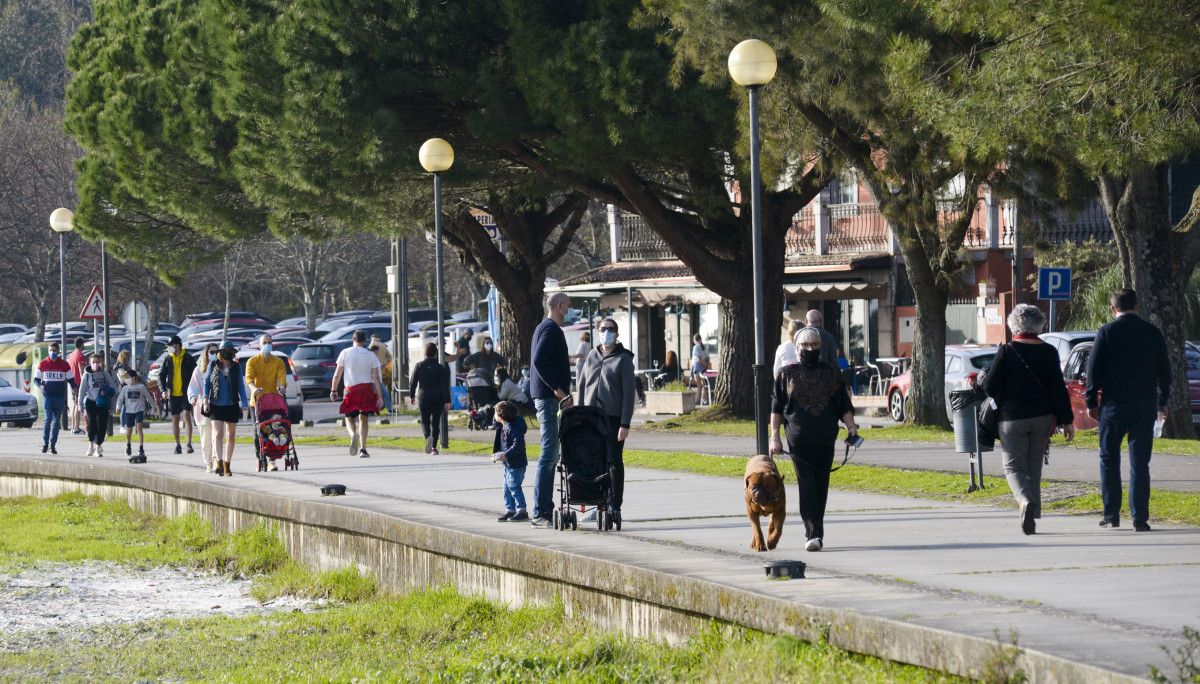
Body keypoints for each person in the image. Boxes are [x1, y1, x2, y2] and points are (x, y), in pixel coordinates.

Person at [979, 304, 1076, 535]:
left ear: (1013, 324)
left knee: (1013, 466)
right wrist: (1067, 420)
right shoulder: (1050, 351)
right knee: (1034, 467)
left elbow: (991, 386)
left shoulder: (1007, 351)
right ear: (1039, 324)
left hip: (1012, 419)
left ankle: (1024, 502)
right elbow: (1058, 390)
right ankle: (1033, 514)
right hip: (1043, 418)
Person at [1085, 288, 1171, 532]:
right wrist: (1163, 401)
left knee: (1109, 458)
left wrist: (1092, 401)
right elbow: (1164, 371)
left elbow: (1094, 369)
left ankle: (1111, 513)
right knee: (1140, 462)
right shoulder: (1152, 332)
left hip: (1114, 404)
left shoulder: (1107, 332)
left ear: (1113, 309)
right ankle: (1139, 517)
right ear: (1138, 305)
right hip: (1144, 404)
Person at [769, 327, 858, 552]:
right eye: (805, 346)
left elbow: (843, 405)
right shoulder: (785, 374)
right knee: (807, 485)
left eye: (814, 345)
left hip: (825, 440)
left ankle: (816, 531)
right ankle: (813, 534)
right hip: (798, 443)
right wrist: (775, 437)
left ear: (820, 348)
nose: (809, 349)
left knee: (821, 486)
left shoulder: (831, 373)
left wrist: (851, 427)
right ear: (796, 348)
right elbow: (776, 409)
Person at [577, 317, 636, 528]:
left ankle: (614, 505)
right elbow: (582, 385)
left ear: (617, 334)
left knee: (613, 461)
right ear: (597, 331)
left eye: (611, 329)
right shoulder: (592, 356)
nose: (606, 332)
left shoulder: (624, 359)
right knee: (594, 461)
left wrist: (625, 423)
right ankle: (598, 504)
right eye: (603, 329)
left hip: (612, 419)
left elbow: (629, 394)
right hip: (591, 417)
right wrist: (579, 414)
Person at [530, 292, 573, 528]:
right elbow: (538, 360)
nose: (569, 311)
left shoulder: (542, 327)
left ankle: (543, 506)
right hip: (548, 399)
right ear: (558, 306)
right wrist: (557, 389)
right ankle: (541, 511)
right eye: (567, 306)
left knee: (551, 453)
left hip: (551, 399)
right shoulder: (550, 329)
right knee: (548, 454)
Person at [330, 330, 383, 458]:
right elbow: (376, 377)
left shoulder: (345, 353)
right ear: (364, 341)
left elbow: (337, 374)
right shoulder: (371, 355)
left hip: (350, 390)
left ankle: (353, 434)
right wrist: (379, 396)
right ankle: (363, 449)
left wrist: (333, 390)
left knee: (349, 417)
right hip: (366, 390)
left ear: (353, 339)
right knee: (364, 419)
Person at [202, 346, 248, 476]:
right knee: (217, 434)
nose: (227, 357)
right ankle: (219, 462)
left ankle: (227, 464)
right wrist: (205, 400)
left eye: (230, 354)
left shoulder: (236, 367)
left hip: (232, 404)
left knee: (231, 435)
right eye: (225, 354)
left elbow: (240, 385)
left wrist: (244, 403)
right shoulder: (212, 365)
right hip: (216, 404)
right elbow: (207, 384)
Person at [491, 400, 529, 522]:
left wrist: (506, 455)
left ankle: (522, 510)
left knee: (514, 486)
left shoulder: (512, 428)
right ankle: (510, 510)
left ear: (501, 416)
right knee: (507, 487)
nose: (494, 415)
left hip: (516, 464)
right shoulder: (504, 426)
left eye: (495, 413)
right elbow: (494, 422)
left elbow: (518, 445)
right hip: (508, 464)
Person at [409, 342, 451, 455]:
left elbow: (413, 382)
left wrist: (412, 395)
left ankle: (428, 436)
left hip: (423, 397)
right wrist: (447, 400)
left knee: (425, 421)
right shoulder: (440, 368)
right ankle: (434, 448)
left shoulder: (419, 365)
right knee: (436, 423)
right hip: (437, 397)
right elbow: (444, 385)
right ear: (435, 354)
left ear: (425, 353)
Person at [158, 335, 196, 455]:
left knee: (186, 415)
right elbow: (161, 376)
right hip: (173, 393)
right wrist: (163, 390)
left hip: (186, 392)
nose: (170, 348)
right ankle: (178, 445)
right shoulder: (168, 358)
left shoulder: (188, 358)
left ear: (177, 345)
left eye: (171, 345)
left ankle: (189, 444)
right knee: (175, 419)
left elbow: (195, 375)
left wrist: (195, 391)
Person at [34, 341, 74, 455]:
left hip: (60, 397)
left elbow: (71, 380)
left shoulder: (64, 365)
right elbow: (36, 380)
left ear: (58, 351)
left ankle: (52, 445)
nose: (52, 353)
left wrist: (75, 390)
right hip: (47, 397)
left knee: (56, 422)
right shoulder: (42, 364)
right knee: (47, 420)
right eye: (51, 351)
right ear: (48, 352)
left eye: (54, 351)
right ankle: (45, 443)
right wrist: (41, 386)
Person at [77, 352, 120, 458]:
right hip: (91, 402)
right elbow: (81, 391)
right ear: (90, 363)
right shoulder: (86, 375)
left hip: (103, 403)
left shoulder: (105, 373)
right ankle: (91, 444)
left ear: (100, 363)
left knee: (102, 426)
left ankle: (98, 446)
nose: (96, 364)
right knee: (92, 425)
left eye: (97, 362)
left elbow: (113, 386)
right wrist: (80, 406)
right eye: (93, 362)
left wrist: (107, 390)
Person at [188, 343, 219, 472]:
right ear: (206, 353)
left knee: (217, 435)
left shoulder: (221, 369)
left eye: (216, 352)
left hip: (218, 407)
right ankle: (208, 462)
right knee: (206, 437)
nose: (214, 354)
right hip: (202, 409)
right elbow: (192, 387)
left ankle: (217, 460)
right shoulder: (198, 370)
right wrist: (193, 397)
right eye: (211, 352)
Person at [115, 370, 155, 460]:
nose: (127, 379)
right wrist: (118, 407)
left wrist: (154, 406)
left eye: (128, 377)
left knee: (139, 428)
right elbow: (120, 398)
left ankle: (141, 448)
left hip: (139, 410)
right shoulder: (125, 388)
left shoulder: (141, 387)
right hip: (129, 411)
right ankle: (128, 445)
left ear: (133, 377)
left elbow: (148, 397)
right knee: (129, 429)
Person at [370, 334, 394, 414]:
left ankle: (384, 409)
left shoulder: (370, 349)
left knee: (380, 395)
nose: (377, 353)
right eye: (376, 352)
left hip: (377, 379)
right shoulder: (383, 347)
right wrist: (384, 365)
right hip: (375, 380)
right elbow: (390, 358)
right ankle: (385, 409)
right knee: (383, 394)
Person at [66, 337, 86, 434]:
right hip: (78, 383)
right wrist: (84, 382)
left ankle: (73, 427)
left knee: (74, 404)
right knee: (78, 404)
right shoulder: (80, 355)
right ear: (82, 344)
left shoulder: (71, 355)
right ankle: (77, 428)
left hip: (72, 382)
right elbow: (81, 370)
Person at [689, 334, 710, 401]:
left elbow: (698, 358)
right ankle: (705, 399)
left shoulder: (696, 347)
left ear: (695, 340)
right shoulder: (704, 347)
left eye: (694, 340)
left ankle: (698, 399)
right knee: (704, 384)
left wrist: (703, 364)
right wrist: (705, 366)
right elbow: (707, 358)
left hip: (697, 367)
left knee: (699, 384)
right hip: (703, 368)